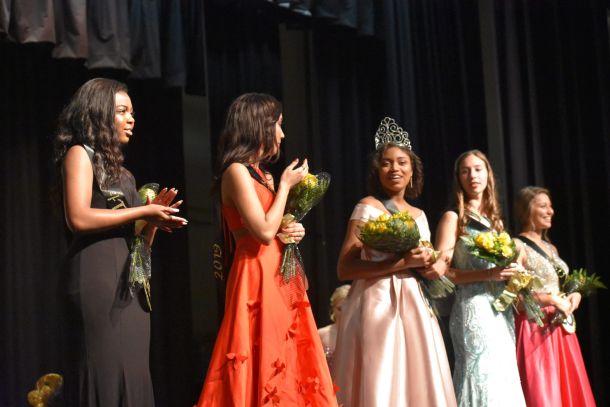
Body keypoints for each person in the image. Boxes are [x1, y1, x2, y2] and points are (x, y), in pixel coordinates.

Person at [196, 93, 337, 406]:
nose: (282, 134)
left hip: (279, 273)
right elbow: (261, 231)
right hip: (255, 274)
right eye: (278, 124)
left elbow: (275, 227)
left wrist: (293, 230)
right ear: (258, 125)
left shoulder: (264, 175)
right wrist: (285, 186)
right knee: (262, 352)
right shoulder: (236, 171)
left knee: (286, 351)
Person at [54, 78, 187, 406]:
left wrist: (154, 220)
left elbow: (140, 243)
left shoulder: (125, 175)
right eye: (122, 111)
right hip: (96, 276)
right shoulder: (80, 154)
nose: (131, 119)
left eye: (132, 113)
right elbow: (78, 218)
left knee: (133, 369)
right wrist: (143, 210)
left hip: (128, 281)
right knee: (105, 369)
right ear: (100, 113)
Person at [332, 117, 456, 407]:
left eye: (402, 162)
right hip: (377, 303)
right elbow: (344, 269)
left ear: (412, 170)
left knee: (417, 379)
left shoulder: (420, 215)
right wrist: (401, 264)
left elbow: (423, 266)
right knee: (382, 375)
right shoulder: (368, 206)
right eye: (386, 163)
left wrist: (430, 264)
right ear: (378, 171)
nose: (394, 169)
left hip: (415, 305)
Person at [434, 149, 526, 407]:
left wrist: (514, 275)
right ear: (458, 178)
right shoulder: (454, 218)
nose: (472, 176)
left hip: (500, 309)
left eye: (478, 169)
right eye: (465, 171)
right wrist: (489, 274)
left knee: (502, 376)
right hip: (472, 307)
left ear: (488, 175)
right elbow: (443, 272)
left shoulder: (496, 222)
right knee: (477, 375)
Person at [513, 186, 596, 406]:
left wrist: (574, 295)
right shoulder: (518, 246)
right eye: (543, 206)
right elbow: (514, 299)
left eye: (550, 206)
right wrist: (549, 300)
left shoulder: (551, 248)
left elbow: (561, 286)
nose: (550, 211)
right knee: (543, 391)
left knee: (566, 389)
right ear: (526, 210)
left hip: (560, 326)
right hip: (536, 326)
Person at [317, 284, 351, 375]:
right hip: (328, 382)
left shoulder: (360, 335)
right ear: (333, 309)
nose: (344, 313)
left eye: (348, 308)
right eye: (340, 309)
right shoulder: (321, 335)